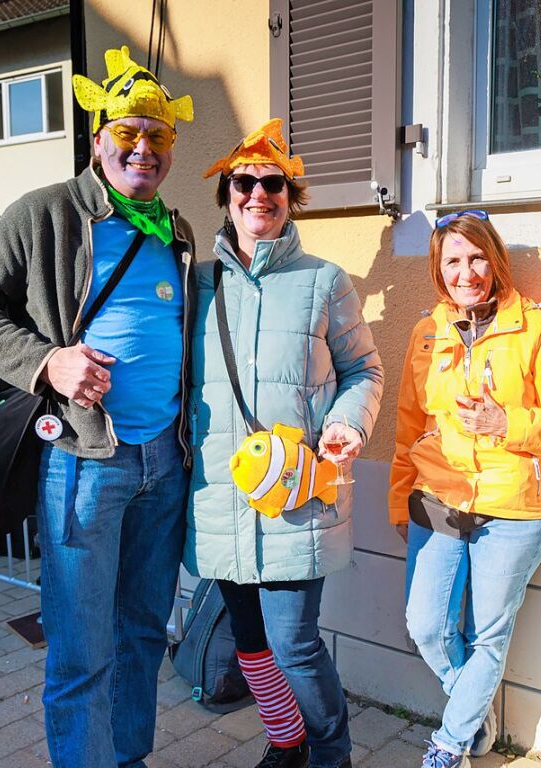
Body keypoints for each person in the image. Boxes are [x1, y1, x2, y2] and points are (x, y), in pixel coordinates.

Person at [0, 46, 196, 768]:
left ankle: (130, 758)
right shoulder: (49, 212)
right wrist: (47, 361)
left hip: (163, 467)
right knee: (83, 652)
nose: (143, 147)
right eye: (129, 133)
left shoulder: (173, 231)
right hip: (86, 462)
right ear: (99, 141)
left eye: (158, 136)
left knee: (144, 635)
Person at [187, 118, 383, 768]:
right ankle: (286, 739)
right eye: (245, 182)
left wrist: (350, 423)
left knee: (294, 643)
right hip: (221, 495)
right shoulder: (198, 286)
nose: (258, 194)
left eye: (273, 184)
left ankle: (331, 753)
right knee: (248, 641)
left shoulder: (325, 281)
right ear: (227, 195)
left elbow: (364, 370)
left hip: (298, 496)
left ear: (290, 198)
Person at [388, 211, 541, 768]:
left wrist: (508, 424)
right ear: (438, 268)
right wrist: (397, 497)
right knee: (425, 626)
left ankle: (449, 745)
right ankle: (475, 715)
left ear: (496, 261)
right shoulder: (425, 333)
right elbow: (409, 425)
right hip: (437, 499)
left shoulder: (539, 328)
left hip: (514, 508)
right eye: (452, 260)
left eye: (477, 257)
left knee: (487, 636)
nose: (466, 271)